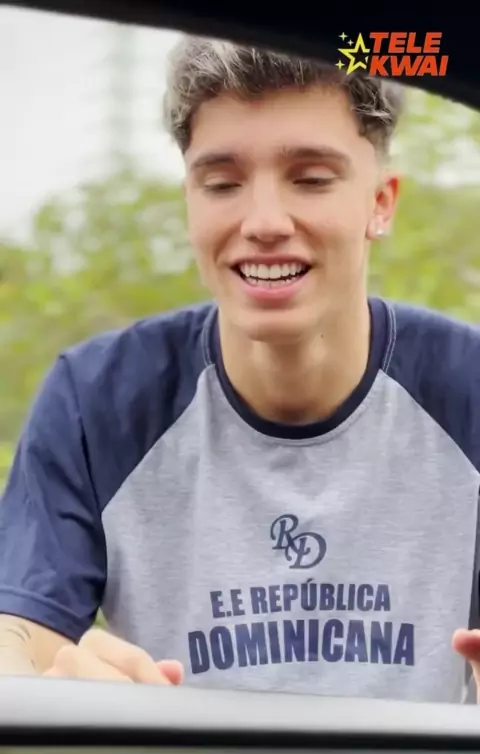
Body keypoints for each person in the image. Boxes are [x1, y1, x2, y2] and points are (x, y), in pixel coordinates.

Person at [1, 36, 480, 704]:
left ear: (381, 202)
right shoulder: (95, 399)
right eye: (222, 184)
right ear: (190, 201)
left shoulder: (469, 390)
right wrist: (49, 683)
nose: (264, 222)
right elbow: (17, 634)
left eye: (311, 179)